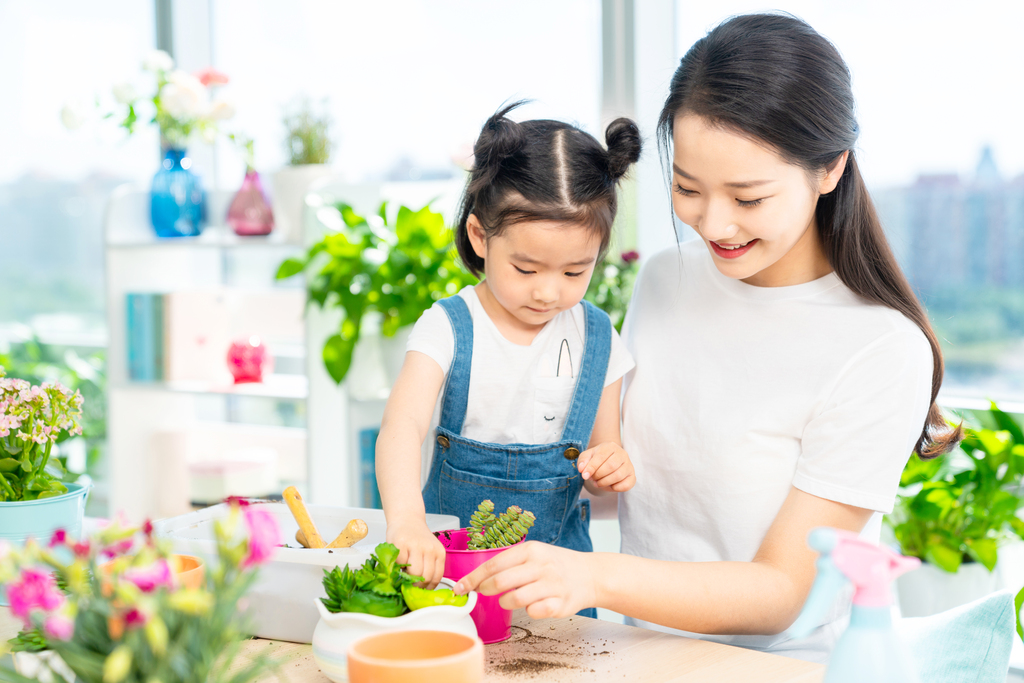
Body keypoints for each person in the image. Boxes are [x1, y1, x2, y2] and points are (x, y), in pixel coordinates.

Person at [454, 14, 961, 662]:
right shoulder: (667, 279)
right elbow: (633, 485)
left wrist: (593, 574)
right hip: (627, 649)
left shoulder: (881, 348)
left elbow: (782, 588)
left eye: (748, 198)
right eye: (689, 188)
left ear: (830, 168)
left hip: (776, 667)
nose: (713, 223)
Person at [376, 103, 644, 616]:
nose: (548, 292)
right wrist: (407, 520)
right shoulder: (450, 326)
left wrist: (610, 463)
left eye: (573, 272)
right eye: (526, 268)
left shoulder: (598, 338)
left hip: (557, 594)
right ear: (481, 236)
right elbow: (403, 426)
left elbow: (601, 453)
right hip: (450, 585)